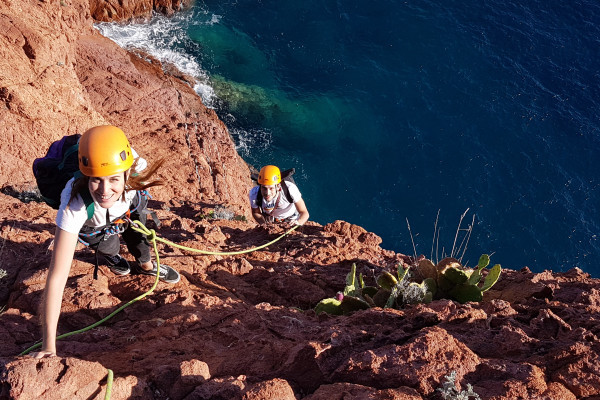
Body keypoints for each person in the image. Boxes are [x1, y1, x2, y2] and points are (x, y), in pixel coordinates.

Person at [31, 125, 179, 358]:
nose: (104, 189)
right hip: (95, 225)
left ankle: (147, 266)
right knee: (108, 246)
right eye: (96, 180)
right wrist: (48, 345)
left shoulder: (133, 164)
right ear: (86, 176)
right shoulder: (74, 203)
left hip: (129, 210)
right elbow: (57, 277)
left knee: (139, 238)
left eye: (113, 179)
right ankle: (113, 259)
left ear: (127, 174)